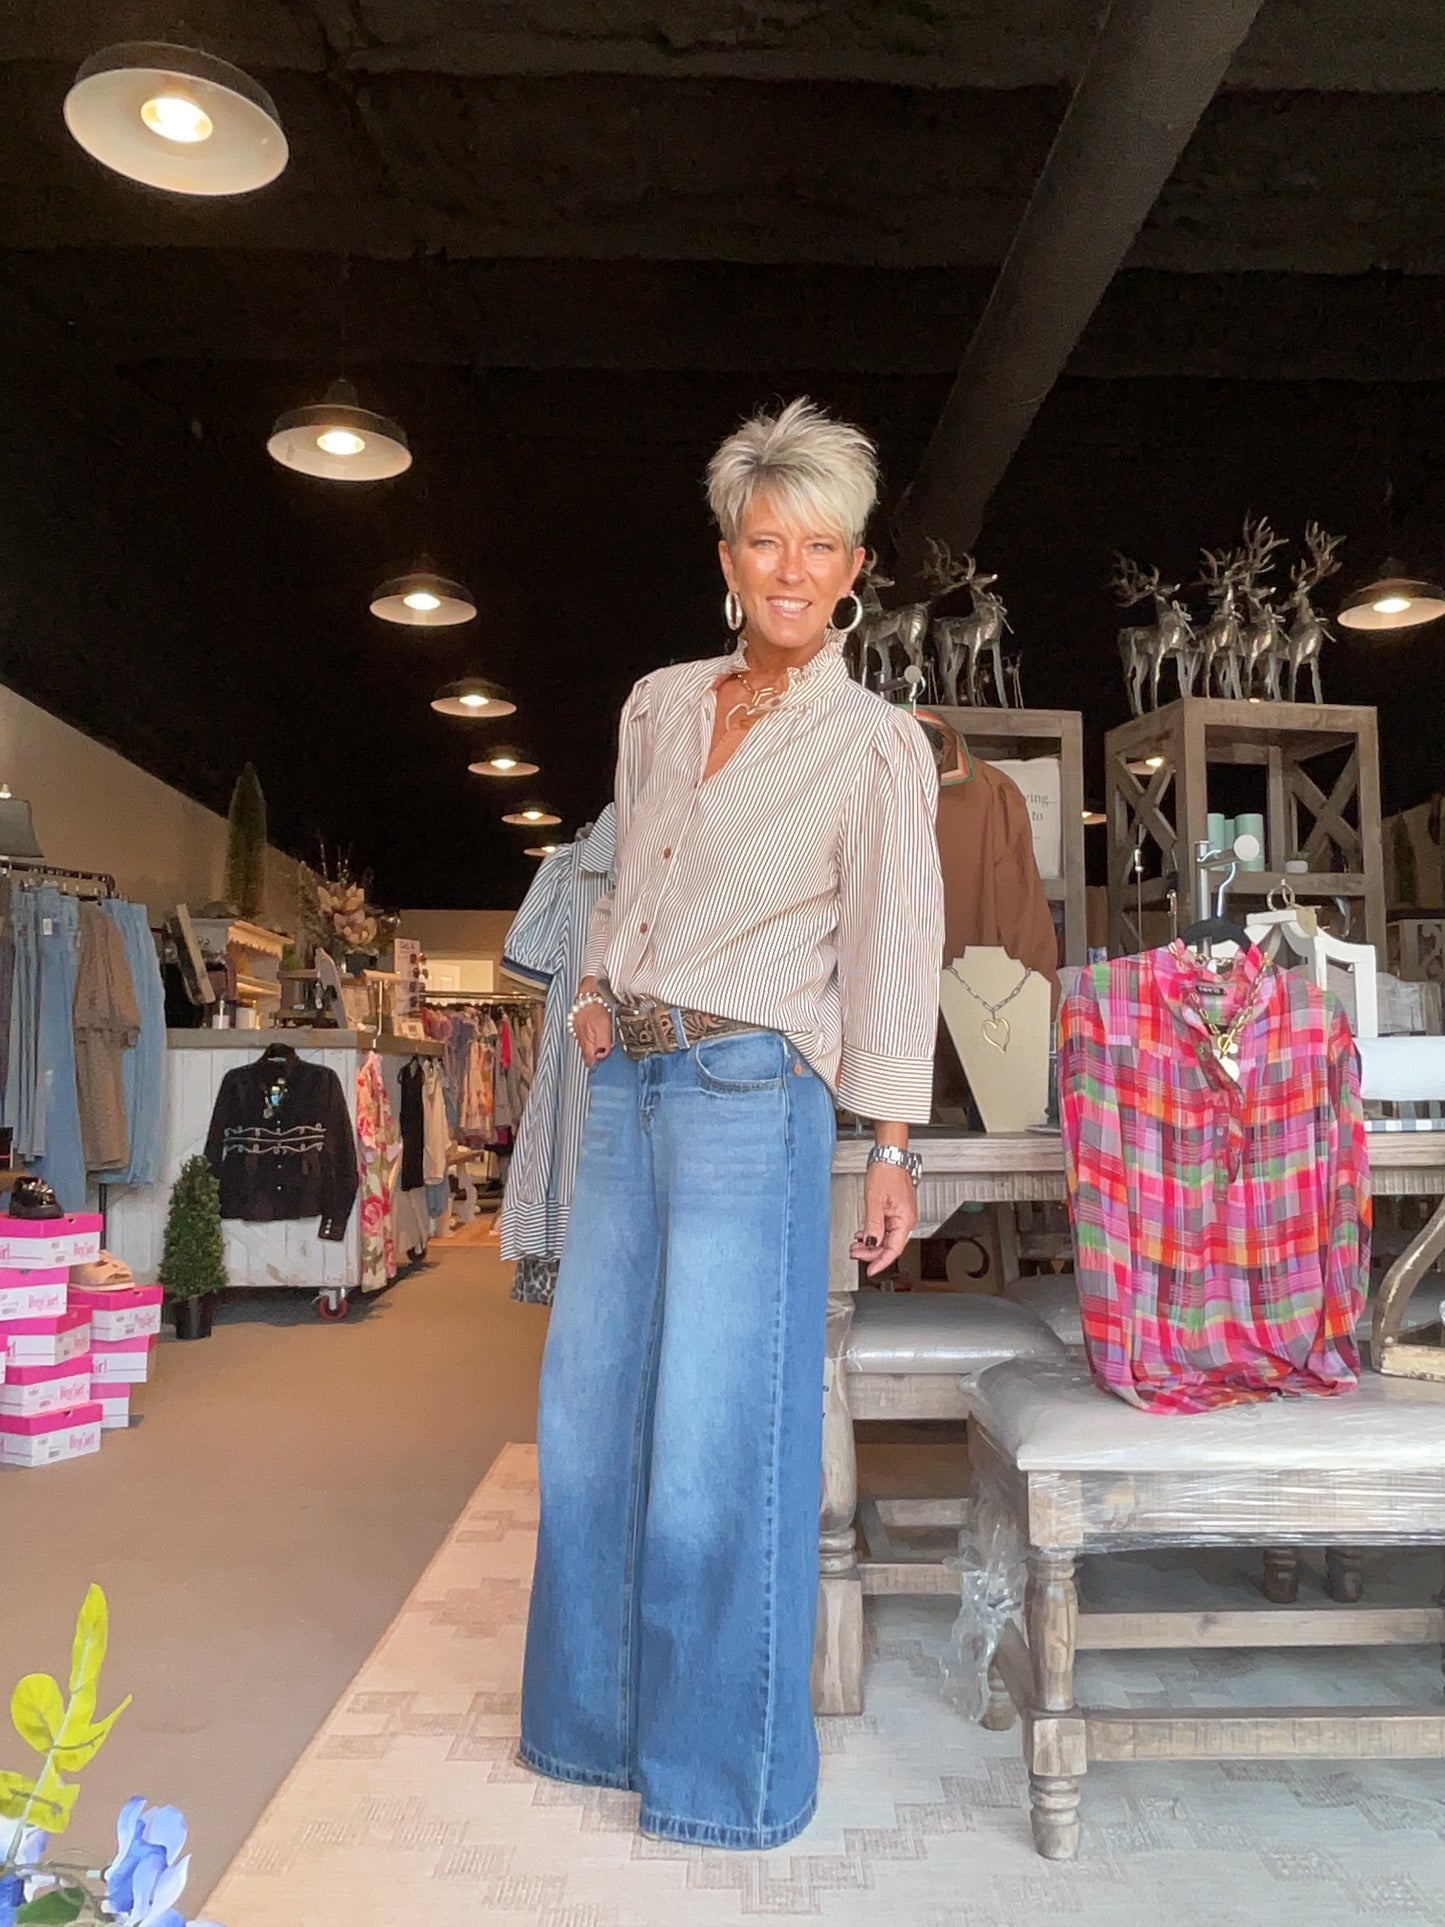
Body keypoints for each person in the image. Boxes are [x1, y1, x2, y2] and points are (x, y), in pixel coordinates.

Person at [519, 397, 944, 1849]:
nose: (790, 569)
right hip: (632, 1083)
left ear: (853, 569)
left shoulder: (877, 745)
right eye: (767, 541)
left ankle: (722, 1781)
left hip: (754, 1098)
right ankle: (588, 1728)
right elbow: (622, 870)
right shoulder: (657, 704)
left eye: (819, 546)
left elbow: (894, 949)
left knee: (718, 1441)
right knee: (585, 1420)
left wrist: (891, 1145)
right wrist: (594, 986)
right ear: (727, 556)